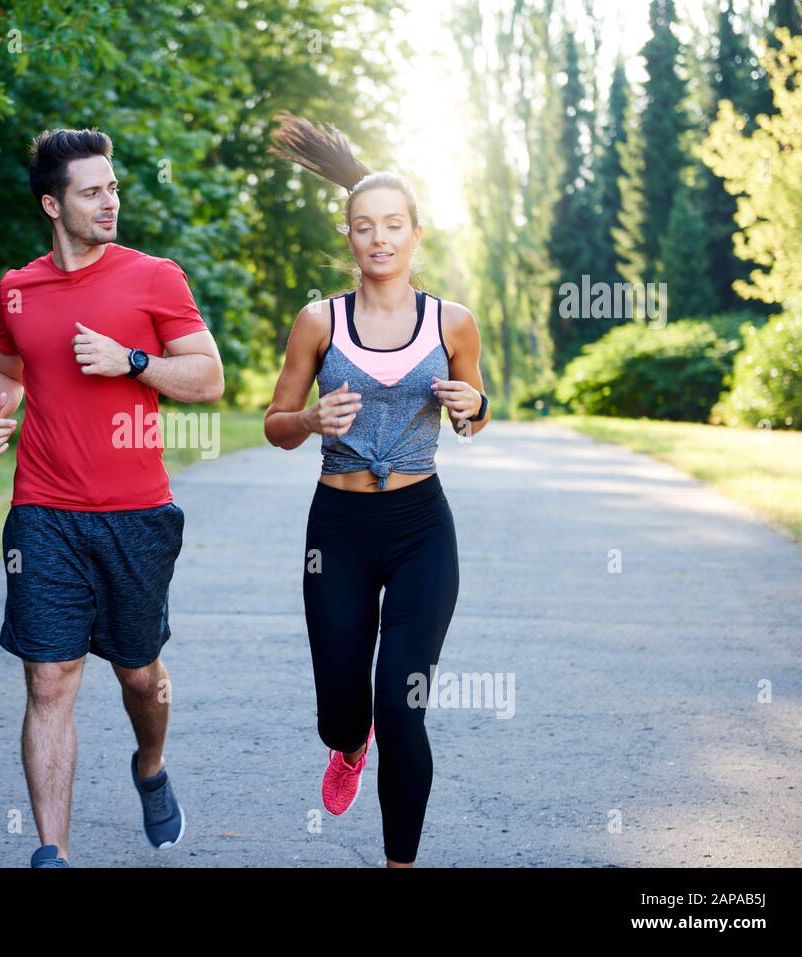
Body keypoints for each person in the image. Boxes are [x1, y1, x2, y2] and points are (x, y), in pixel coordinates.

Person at [0, 127, 225, 867]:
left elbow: (207, 379)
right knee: (49, 680)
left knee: (140, 674)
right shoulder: (16, 289)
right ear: (53, 204)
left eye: (112, 187)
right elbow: (3, 362)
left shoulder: (154, 278)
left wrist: (133, 361)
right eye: (92, 191)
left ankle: (149, 765)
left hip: (136, 516)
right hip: (43, 512)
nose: (109, 200)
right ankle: (51, 853)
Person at [262, 111, 490, 867]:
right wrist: (309, 417)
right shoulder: (317, 321)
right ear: (350, 238)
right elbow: (274, 423)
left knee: (403, 702)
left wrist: (471, 406)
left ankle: (400, 862)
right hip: (339, 529)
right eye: (365, 226)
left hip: (423, 524)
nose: (380, 238)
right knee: (343, 709)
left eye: (394, 225)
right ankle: (345, 743)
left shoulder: (452, 322)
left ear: (417, 235)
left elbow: (476, 414)